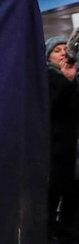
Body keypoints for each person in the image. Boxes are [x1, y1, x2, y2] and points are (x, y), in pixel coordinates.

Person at [46, 35, 79, 244]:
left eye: (64, 50)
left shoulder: (75, 80)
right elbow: (51, 110)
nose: (62, 54)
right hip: (53, 158)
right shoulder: (44, 79)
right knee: (49, 207)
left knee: (73, 209)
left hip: (73, 158)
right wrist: (66, 82)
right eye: (56, 50)